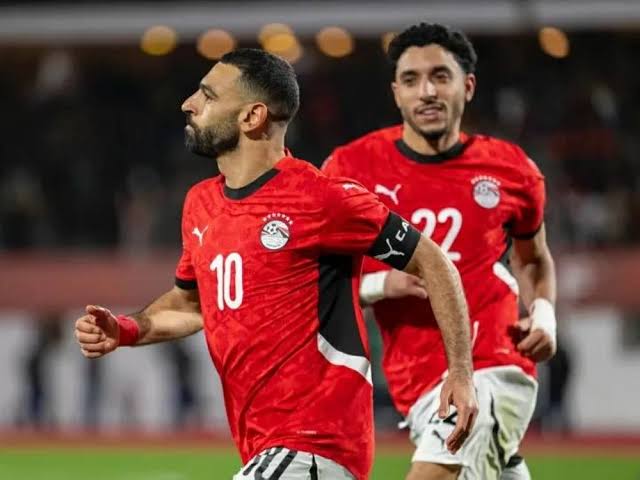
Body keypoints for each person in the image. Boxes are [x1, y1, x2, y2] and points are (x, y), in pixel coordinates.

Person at [73, 48, 478, 480]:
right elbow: (193, 306)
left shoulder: (322, 199)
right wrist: (126, 329)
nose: (188, 104)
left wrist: (460, 373)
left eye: (208, 95)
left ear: (252, 117)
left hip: (315, 444)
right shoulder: (200, 204)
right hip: (264, 449)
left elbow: (434, 263)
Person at [322, 23, 557, 480]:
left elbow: (532, 257)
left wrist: (544, 312)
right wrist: (380, 284)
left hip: (494, 365)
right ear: (396, 93)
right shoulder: (350, 168)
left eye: (440, 76)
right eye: (411, 80)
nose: (426, 91)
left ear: (467, 86)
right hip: (415, 380)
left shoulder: (511, 170)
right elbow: (316, 274)